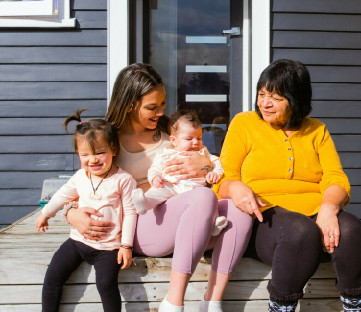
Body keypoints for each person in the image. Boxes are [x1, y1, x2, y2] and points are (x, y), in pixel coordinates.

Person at [64, 63, 253, 312]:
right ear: (130, 104)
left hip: (189, 217)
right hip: (141, 222)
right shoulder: (107, 137)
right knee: (203, 198)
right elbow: (83, 182)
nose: (160, 112)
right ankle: (173, 302)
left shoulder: (169, 129)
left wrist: (205, 167)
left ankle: (212, 301)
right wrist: (71, 213)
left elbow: (210, 169)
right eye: (152, 107)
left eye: (162, 104)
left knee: (238, 211)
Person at [214, 59, 361, 312]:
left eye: (275, 98)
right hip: (264, 218)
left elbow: (336, 178)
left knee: (355, 232)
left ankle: (356, 308)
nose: (264, 103)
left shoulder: (316, 130)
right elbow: (223, 177)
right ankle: (280, 308)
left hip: (316, 216)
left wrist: (328, 210)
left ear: (296, 99)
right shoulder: (244, 124)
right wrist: (234, 188)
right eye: (262, 94)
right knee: (300, 232)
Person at [36, 109, 137, 312]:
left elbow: (130, 213)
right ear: (78, 155)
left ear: (114, 149)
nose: (93, 160)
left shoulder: (123, 180)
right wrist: (46, 213)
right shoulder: (81, 176)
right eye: (85, 155)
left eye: (100, 152)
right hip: (77, 241)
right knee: (52, 277)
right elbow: (62, 194)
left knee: (106, 284)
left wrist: (126, 245)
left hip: (108, 249)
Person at [131, 109, 227, 238]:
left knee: (209, 198)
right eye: (189, 138)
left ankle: (213, 224)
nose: (195, 142)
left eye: (199, 138)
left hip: (195, 188)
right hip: (171, 186)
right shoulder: (166, 153)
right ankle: (146, 202)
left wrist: (215, 173)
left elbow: (216, 162)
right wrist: (154, 178)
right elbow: (154, 168)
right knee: (158, 191)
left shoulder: (203, 152)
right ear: (174, 140)